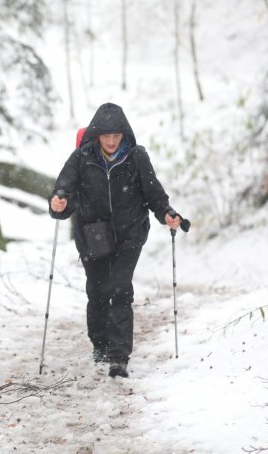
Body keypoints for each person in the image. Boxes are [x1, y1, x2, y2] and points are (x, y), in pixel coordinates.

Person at [49, 103, 182, 378]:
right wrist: (59, 203)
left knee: (120, 289)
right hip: (93, 233)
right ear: (97, 135)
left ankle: (119, 356)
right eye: (106, 135)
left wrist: (167, 213)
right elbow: (64, 190)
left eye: (116, 136)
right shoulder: (82, 157)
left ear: (124, 134)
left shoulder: (136, 157)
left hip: (129, 233)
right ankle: (100, 343)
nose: (111, 141)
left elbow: (154, 195)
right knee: (97, 291)